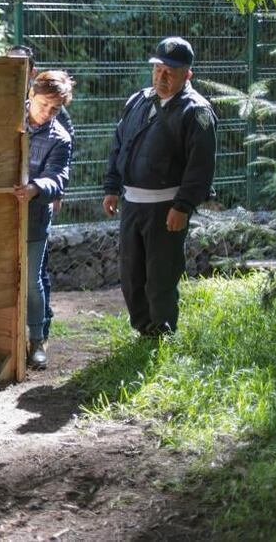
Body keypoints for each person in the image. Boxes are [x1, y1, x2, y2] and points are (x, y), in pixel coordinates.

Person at [103, 37, 216, 336]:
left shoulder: (197, 111)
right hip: (132, 203)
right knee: (131, 273)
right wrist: (112, 186)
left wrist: (183, 206)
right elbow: (119, 144)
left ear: (187, 74)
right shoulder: (138, 101)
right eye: (158, 70)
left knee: (160, 275)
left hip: (166, 207)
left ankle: (163, 331)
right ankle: (144, 329)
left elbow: (201, 166)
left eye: (171, 72)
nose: (161, 77)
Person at [8, 44, 74, 334]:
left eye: (55, 108)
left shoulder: (60, 138)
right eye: (43, 104)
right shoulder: (4, 118)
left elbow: (58, 177)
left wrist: (35, 188)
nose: (47, 112)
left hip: (34, 216)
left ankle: (37, 339)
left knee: (31, 281)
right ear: (31, 94)